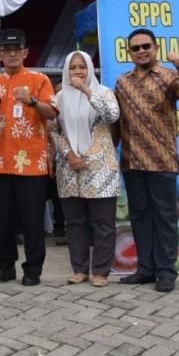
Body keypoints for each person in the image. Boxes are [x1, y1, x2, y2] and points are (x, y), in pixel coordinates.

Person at [114, 28, 179, 293]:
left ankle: (166, 272)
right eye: (136, 48)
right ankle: (146, 269)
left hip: (162, 161)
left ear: (155, 48)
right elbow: (117, 122)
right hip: (132, 161)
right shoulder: (123, 82)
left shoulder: (169, 76)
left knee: (164, 218)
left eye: (146, 46)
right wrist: (108, 151)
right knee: (140, 217)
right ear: (129, 52)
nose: (141, 51)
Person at [0, 28, 57, 286]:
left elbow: (52, 113)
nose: (12, 54)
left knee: (32, 220)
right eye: (7, 50)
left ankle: (33, 270)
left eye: (17, 49)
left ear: (25, 53)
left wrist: (32, 101)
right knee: (1, 220)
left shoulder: (40, 80)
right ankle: (5, 267)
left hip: (31, 164)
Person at [49, 51, 121, 288]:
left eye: (82, 67)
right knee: (74, 222)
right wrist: (69, 154)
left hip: (101, 168)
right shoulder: (59, 97)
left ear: (90, 69)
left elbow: (112, 115)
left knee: (103, 223)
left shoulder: (103, 92)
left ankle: (101, 271)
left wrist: (87, 91)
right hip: (69, 168)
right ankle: (79, 270)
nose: (78, 71)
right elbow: (52, 130)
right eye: (73, 67)